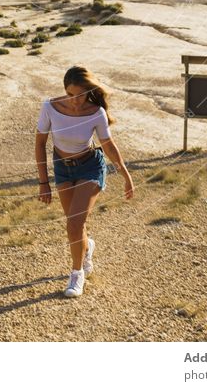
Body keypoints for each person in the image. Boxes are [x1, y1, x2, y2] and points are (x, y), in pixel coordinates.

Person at [35, 65, 134, 298]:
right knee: (74, 223)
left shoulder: (96, 111)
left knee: (74, 224)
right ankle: (87, 246)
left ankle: (77, 275)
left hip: (90, 167)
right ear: (64, 90)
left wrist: (126, 175)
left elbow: (108, 145)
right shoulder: (50, 107)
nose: (76, 100)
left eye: (80, 95)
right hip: (62, 169)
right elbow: (39, 144)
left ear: (88, 91)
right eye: (71, 94)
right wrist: (43, 183)